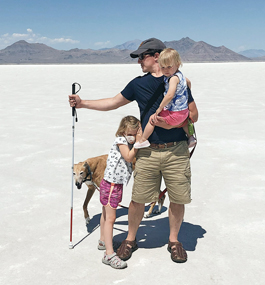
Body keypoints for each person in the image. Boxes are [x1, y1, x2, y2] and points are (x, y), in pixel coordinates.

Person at [69, 38, 199, 263]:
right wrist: (82, 103)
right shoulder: (138, 84)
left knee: (177, 198)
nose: (139, 61)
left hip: (176, 151)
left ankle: (174, 241)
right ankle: (130, 239)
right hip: (146, 151)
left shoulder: (178, 81)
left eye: (142, 56)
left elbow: (194, 115)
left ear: (156, 56)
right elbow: (113, 102)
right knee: (138, 199)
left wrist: (172, 124)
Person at [98, 115, 140, 269]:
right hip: (111, 185)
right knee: (111, 218)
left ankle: (103, 240)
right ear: (123, 131)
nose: (132, 137)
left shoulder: (124, 140)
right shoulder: (121, 140)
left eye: (135, 134)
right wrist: (139, 143)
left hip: (112, 184)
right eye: (131, 133)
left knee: (105, 213)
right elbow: (129, 158)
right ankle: (109, 254)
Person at [134, 48, 196, 149]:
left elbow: (170, 95)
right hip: (184, 112)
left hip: (175, 114)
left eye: (169, 67)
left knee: (152, 120)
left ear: (178, 63)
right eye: (162, 67)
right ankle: (190, 137)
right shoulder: (181, 76)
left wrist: (159, 109)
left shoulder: (173, 79)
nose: (166, 70)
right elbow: (188, 82)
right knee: (183, 121)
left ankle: (143, 140)